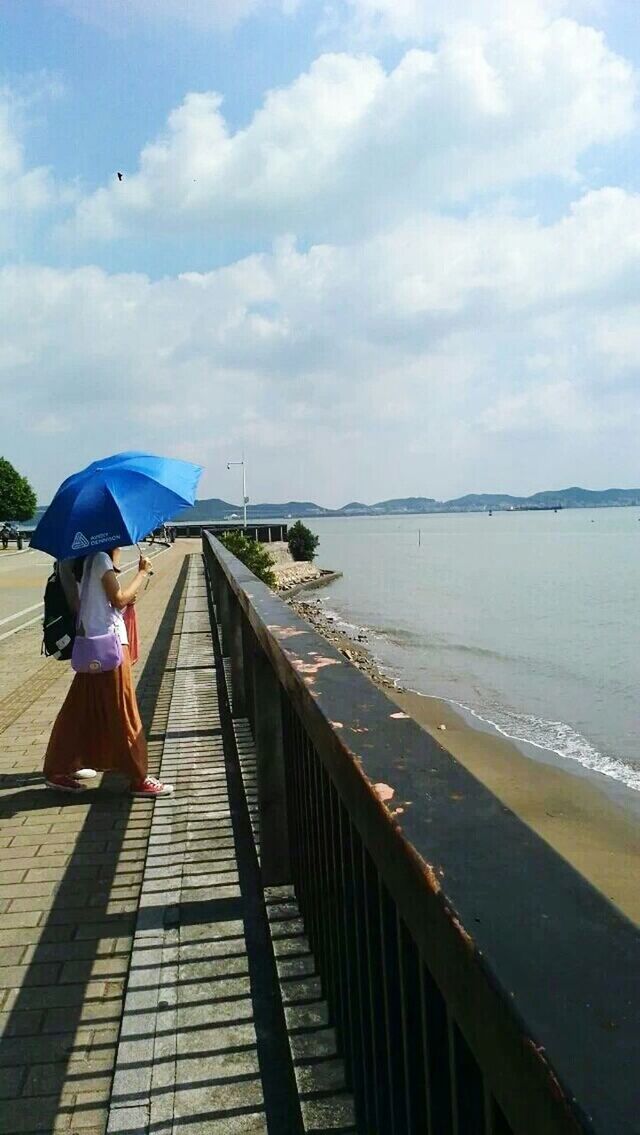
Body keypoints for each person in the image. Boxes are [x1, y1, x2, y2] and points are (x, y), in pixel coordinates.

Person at [43, 548, 173, 797]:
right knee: (123, 709)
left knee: (78, 708)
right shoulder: (99, 560)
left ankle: (58, 769)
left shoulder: (81, 561)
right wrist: (142, 573)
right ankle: (138, 777)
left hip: (90, 643)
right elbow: (119, 599)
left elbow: (101, 603)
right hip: (109, 646)